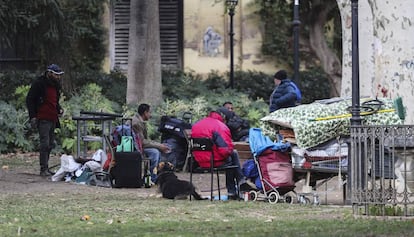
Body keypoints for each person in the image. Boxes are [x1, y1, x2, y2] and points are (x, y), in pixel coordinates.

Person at [191, 108, 254, 200]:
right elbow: (225, 150)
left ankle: (238, 184)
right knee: (232, 157)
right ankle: (235, 187)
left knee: (232, 156)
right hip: (213, 161)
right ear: (224, 118)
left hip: (199, 161)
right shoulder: (220, 126)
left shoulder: (197, 124)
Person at [26, 64, 65, 176]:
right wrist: (33, 116)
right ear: (49, 73)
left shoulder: (56, 85)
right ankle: (43, 168)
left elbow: (54, 101)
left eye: (59, 75)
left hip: (52, 117)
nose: (58, 77)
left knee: (50, 144)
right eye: (56, 75)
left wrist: (59, 109)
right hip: (42, 118)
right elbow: (30, 99)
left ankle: (46, 167)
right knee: (45, 143)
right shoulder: (39, 84)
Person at [131, 103, 171, 185]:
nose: (150, 115)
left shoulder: (140, 121)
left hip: (140, 145)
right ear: (145, 113)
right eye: (149, 112)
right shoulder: (136, 123)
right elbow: (142, 142)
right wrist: (159, 146)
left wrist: (159, 145)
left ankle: (157, 176)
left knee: (157, 151)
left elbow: (145, 140)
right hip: (136, 147)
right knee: (155, 152)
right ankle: (153, 178)